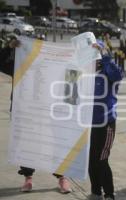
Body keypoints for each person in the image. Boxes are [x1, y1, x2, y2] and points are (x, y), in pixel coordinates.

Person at [0, 35, 72, 193]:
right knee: (26, 144)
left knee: (55, 142)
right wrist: (8, 47)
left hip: (48, 111)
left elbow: (72, 74)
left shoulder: (52, 65)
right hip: (23, 111)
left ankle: (62, 177)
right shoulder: (19, 65)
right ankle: (28, 178)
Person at [88, 40, 123, 200]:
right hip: (87, 125)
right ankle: (96, 192)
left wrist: (106, 54)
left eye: (95, 55)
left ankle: (109, 194)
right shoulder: (84, 73)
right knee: (90, 160)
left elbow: (118, 75)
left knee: (101, 159)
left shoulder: (108, 73)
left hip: (105, 123)